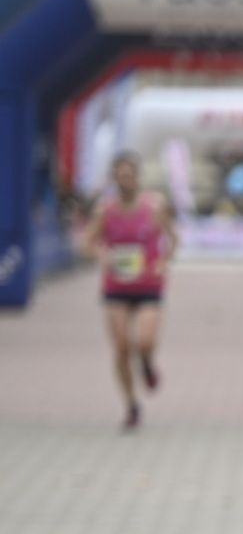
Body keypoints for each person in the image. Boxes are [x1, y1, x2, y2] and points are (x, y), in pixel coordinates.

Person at [83, 152, 175, 430]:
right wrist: (103, 256)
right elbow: (88, 242)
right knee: (122, 348)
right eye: (121, 176)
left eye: (130, 175)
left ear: (138, 177)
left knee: (144, 341)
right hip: (117, 286)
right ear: (115, 179)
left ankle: (147, 363)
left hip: (148, 284)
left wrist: (163, 262)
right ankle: (131, 404)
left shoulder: (155, 206)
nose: (126, 180)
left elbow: (174, 238)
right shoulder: (105, 211)